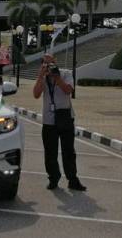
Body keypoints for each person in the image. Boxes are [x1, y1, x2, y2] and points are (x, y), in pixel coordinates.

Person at [32, 54, 86, 191]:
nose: (49, 66)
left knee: (68, 151)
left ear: (56, 62)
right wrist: (40, 77)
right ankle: (53, 178)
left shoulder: (66, 74)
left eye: (51, 63)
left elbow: (68, 91)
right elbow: (36, 94)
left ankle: (72, 180)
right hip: (49, 120)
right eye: (46, 64)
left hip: (65, 117)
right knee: (50, 152)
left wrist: (57, 77)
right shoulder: (43, 77)